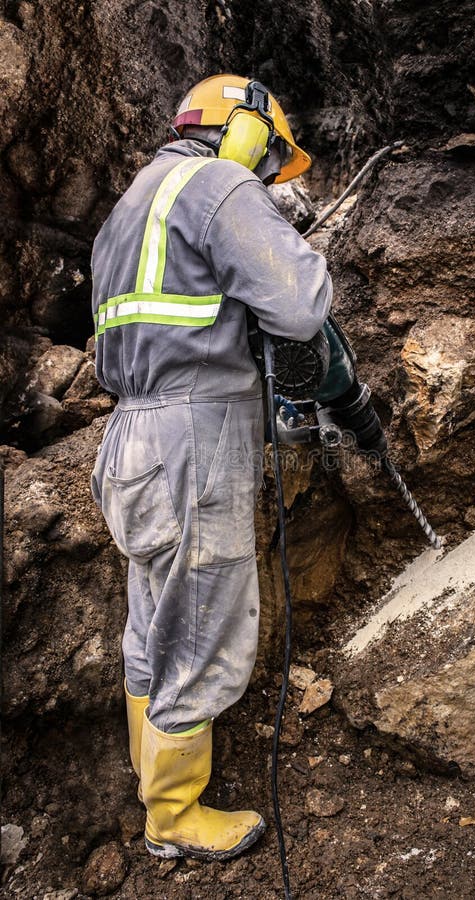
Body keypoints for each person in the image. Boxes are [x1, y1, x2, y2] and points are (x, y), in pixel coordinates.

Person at [90, 74, 332, 861]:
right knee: (201, 628)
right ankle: (174, 816)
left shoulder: (130, 205)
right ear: (246, 129)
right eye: (270, 157)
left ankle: (151, 780)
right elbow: (298, 307)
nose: (266, 175)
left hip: (130, 434)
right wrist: (297, 243)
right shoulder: (219, 183)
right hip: (195, 437)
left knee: (153, 623)